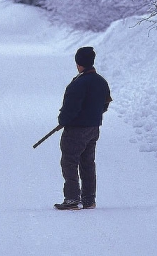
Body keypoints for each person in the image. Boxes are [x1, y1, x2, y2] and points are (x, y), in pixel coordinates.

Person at [54, 46, 111, 210]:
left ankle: (72, 199)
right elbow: (105, 104)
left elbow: (70, 108)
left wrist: (63, 120)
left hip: (76, 129)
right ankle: (88, 199)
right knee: (88, 163)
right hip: (93, 129)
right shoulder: (101, 82)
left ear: (79, 63)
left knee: (69, 162)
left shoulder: (78, 83)